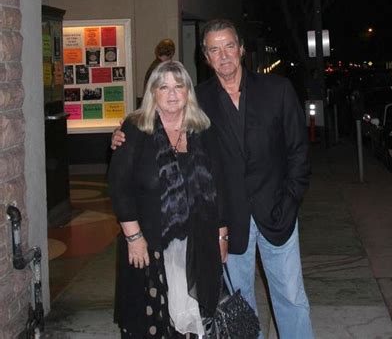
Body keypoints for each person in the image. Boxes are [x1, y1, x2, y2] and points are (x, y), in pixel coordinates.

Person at [113, 20, 313, 339]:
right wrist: (123, 134)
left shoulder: (277, 90)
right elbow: (161, 117)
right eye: (214, 49)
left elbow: (299, 153)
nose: (223, 56)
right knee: (239, 303)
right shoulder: (199, 100)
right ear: (205, 57)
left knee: (291, 297)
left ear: (242, 49)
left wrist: (291, 200)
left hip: (278, 213)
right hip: (229, 221)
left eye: (229, 46)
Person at [109, 60, 228, 338]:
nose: (172, 93)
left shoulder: (203, 129)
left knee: (196, 320)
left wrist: (222, 234)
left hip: (198, 243)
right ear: (153, 93)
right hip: (150, 244)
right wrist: (133, 238)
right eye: (164, 87)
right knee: (154, 321)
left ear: (188, 91)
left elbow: (218, 185)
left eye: (179, 86)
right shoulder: (136, 129)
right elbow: (119, 186)